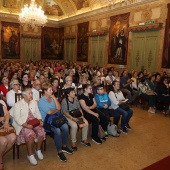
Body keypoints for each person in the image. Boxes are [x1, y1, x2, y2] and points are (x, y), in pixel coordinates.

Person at [38, 83, 72, 162]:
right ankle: (59, 152)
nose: (52, 91)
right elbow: (49, 112)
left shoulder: (52, 97)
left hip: (55, 118)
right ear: (45, 91)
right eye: (50, 90)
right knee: (57, 131)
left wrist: (54, 98)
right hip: (47, 120)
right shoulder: (42, 101)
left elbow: (59, 107)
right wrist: (56, 110)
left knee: (66, 127)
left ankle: (64, 146)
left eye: (51, 89)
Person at [10, 87, 45, 165]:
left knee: (41, 131)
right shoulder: (18, 104)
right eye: (29, 93)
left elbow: (38, 113)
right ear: (24, 95)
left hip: (34, 123)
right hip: (23, 125)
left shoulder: (34, 103)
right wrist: (25, 125)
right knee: (30, 134)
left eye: (31, 93)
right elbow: (17, 118)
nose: (31, 95)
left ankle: (38, 150)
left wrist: (40, 120)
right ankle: (30, 154)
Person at [0, 100, 16, 170]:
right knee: (4, 141)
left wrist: (6, 122)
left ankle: (0, 156)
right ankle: (0, 161)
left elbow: (7, 113)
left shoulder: (0, 104)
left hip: (2, 127)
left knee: (13, 138)